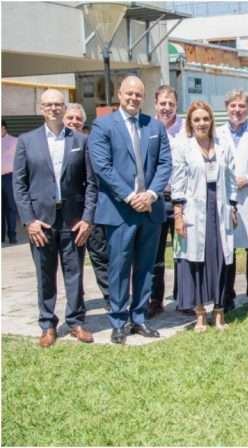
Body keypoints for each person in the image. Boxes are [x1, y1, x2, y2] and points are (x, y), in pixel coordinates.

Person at [88, 76, 172, 344]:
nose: (134, 98)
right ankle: (119, 321)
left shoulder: (155, 126)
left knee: (147, 267)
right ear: (119, 94)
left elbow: (164, 164)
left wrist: (149, 194)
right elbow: (102, 167)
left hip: (150, 208)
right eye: (129, 94)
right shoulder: (103, 125)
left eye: (139, 94)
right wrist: (129, 195)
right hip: (119, 210)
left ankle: (139, 318)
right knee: (119, 266)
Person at [13, 89, 97, 347]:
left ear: (65, 108)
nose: (53, 109)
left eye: (58, 104)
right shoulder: (27, 141)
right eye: (48, 105)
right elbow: (20, 184)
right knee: (45, 273)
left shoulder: (80, 140)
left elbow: (91, 184)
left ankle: (76, 321)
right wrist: (29, 221)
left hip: (72, 220)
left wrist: (87, 218)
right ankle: (48, 324)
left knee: (74, 273)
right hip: (42, 221)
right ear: (41, 108)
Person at [171, 100, 236, 332]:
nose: (201, 123)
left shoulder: (223, 145)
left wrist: (233, 205)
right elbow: (177, 182)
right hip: (193, 211)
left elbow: (230, 177)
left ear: (211, 121)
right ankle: (199, 314)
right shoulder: (183, 147)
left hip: (219, 209)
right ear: (190, 123)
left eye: (205, 119)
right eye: (196, 119)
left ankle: (219, 313)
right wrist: (178, 215)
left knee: (219, 259)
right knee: (196, 262)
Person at [217, 89, 248, 312]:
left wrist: (247, 179)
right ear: (226, 107)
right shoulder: (217, 134)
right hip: (225, 199)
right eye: (233, 106)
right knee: (227, 248)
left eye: (242, 106)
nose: (237, 110)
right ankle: (227, 295)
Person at [63, 103, 111, 311]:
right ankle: (76, 304)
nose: (74, 122)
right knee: (72, 263)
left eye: (78, 119)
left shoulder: (90, 142)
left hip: (93, 211)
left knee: (101, 258)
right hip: (67, 215)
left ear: (83, 122)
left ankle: (113, 301)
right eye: (70, 118)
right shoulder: (55, 145)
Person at [147, 85, 186, 318]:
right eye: (163, 103)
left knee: (182, 251)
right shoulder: (147, 127)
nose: (167, 108)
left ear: (176, 105)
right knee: (155, 253)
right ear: (155, 104)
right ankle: (155, 299)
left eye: (171, 104)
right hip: (156, 199)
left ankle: (183, 297)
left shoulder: (185, 129)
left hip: (181, 198)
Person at [2, 119, 18, 244]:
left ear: (4, 128)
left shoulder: (14, 141)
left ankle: (12, 235)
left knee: (11, 207)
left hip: (9, 177)